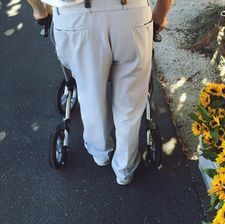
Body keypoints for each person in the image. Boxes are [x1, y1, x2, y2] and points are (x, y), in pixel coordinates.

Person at [49, 0, 172, 185]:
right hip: (132, 12)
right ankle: (125, 167)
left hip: (74, 16)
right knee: (130, 100)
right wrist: (162, 12)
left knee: (90, 93)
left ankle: (100, 152)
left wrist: (39, 11)